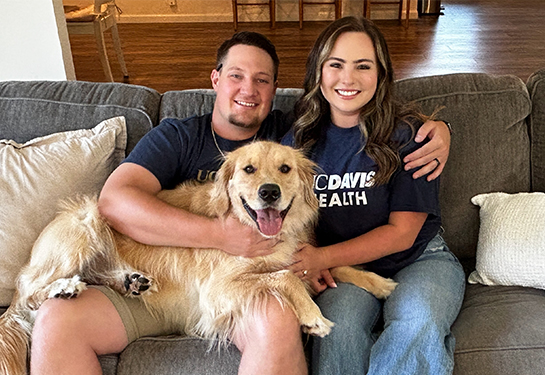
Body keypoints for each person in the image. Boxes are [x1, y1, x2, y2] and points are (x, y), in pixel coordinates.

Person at [30, 30, 452, 375]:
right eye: (236, 76)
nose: (248, 90)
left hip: (238, 289)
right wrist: (222, 235)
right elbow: (114, 202)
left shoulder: (293, 135)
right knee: (55, 322)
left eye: (262, 80)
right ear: (215, 79)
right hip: (144, 281)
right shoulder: (177, 135)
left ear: (276, 89)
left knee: (281, 319)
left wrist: (439, 128)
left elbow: (346, 131)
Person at [283, 16, 466, 375]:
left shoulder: (409, 135)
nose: (347, 79)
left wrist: (318, 258)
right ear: (318, 72)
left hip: (419, 259)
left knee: (420, 323)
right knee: (337, 330)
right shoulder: (296, 141)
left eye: (363, 66)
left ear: (381, 75)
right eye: (335, 65)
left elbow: (403, 233)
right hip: (345, 269)